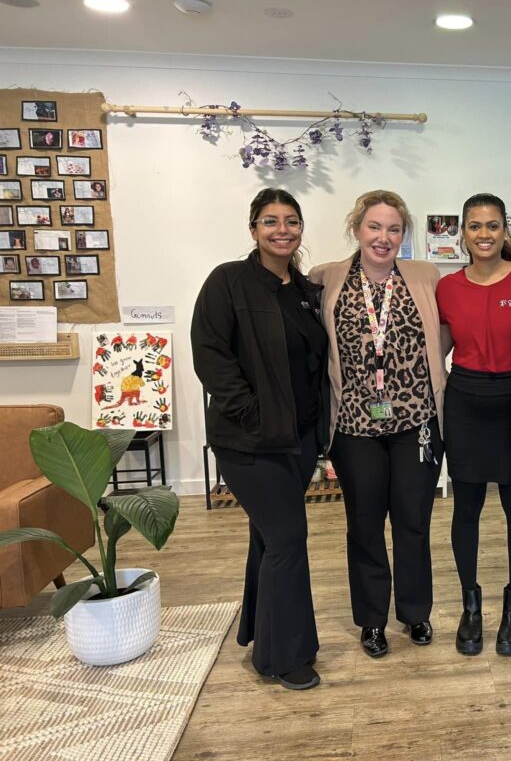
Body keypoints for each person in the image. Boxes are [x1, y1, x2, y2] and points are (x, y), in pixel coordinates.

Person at [191, 188, 328, 690]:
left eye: (291, 221)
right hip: (249, 442)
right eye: (271, 221)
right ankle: (283, 657)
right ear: (253, 229)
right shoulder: (228, 281)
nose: (282, 230)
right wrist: (252, 413)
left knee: (269, 537)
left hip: (300, 439)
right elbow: (211, 356)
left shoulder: (304, 290)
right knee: (288, 539)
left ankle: (259, 631)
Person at [309, 190, 445, 659]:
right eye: (374, 227)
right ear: (357, 228)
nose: (383, 237)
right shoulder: (326, 278)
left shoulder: (425, 276)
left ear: (403, 234)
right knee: (364, 526)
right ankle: (371, 620)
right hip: (353, 427)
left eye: (393, 229)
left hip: (416, 422)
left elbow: (444, 333)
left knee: (413, 523)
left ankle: (415, 611)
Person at [436, 193, 511, 656]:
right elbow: (437, 348)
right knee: (466, 509)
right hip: (465, 401)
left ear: (506, 230)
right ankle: (471, 605)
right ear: (462, 232)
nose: (484, 234)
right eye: (475, 226)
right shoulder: (447, 287)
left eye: (493, 225)